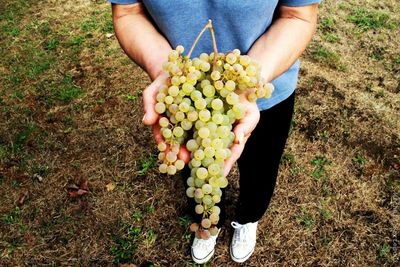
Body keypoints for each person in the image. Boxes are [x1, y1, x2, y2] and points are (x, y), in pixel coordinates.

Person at [109, 0, 320, 264]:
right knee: (195, 165)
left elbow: (297, 15)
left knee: (261, 172)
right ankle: (208, 222)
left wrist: (252, 79)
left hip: (263, 90)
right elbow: (128, 12)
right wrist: (162, 68)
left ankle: (248, 219)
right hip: (187, 100)